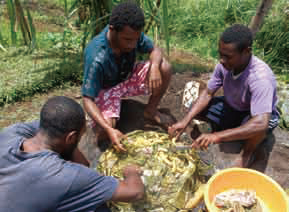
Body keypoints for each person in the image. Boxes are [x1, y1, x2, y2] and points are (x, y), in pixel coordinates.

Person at [0, 96, 144, 212]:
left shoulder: (11, 133)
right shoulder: (65, 176)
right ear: (70, 137)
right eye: (80, 137)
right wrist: (131, 172)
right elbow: (134, 192)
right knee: (99, 206)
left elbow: (56, 125)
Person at [169, 24, 279, 168]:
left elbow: (260, 122)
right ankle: (226, 129)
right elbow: (208, 93)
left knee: (260, 127)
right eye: (220, 54)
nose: (221, 60)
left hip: (253, 115)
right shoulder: (224, 65)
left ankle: (247, 153)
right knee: (194, 107)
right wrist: (185, 121)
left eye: (228, 56)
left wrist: (217, 136)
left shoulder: (260, 78)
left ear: (246, 51)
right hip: (232, 106)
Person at [82, 2, 172, 152]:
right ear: (112, 30)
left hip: (126, 78)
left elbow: (155, 50)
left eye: (136, 40)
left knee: (165, 67)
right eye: (128, 40)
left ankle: (150, 111)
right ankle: (102, 126)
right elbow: (87, 99)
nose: (133, 45)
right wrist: (107, 128)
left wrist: (155, 67)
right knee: (105, 132)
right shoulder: (97, 57)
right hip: (105, 90)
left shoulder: (131, 33)